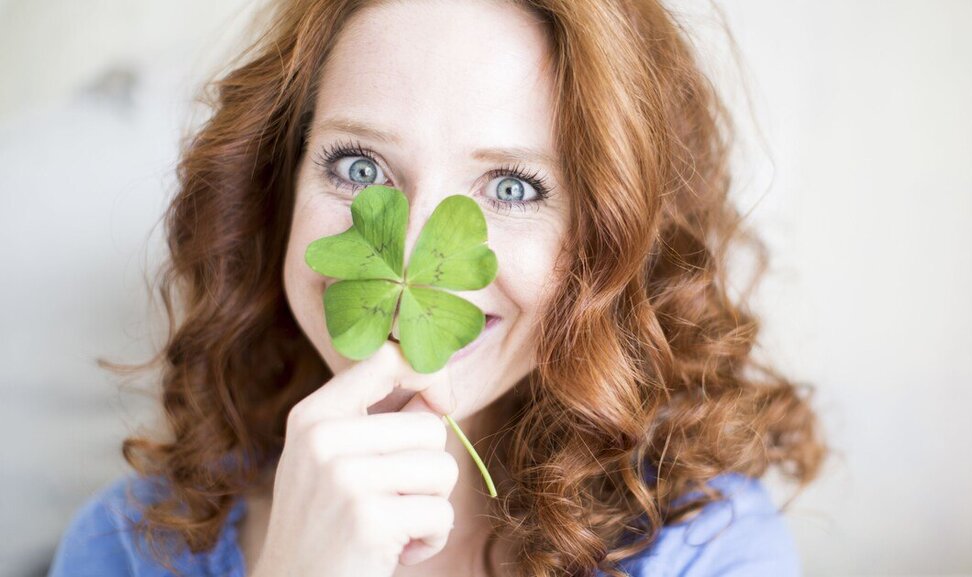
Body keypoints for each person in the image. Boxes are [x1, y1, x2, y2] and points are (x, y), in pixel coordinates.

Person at [47, 0, 828, 575]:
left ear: (607, 239)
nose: (415, 247)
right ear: (275, 187)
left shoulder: (710, 550)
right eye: (359, 167)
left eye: (514, 188)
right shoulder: (126, 545)